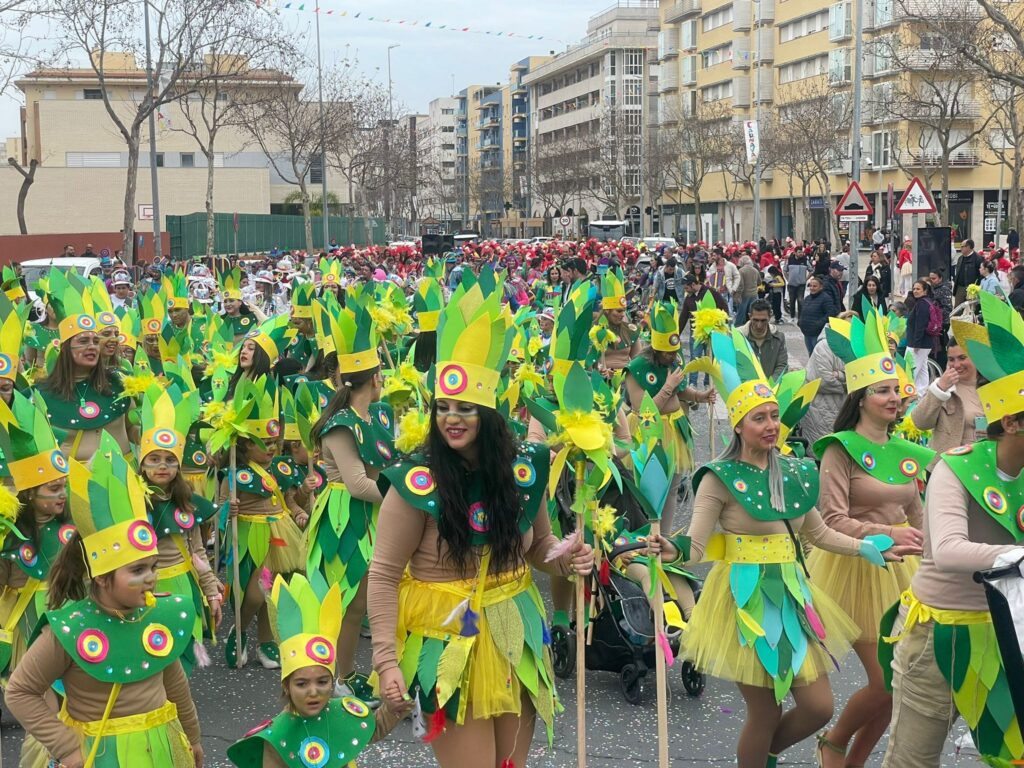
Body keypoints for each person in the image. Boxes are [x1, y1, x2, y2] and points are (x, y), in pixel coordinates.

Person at [368, 267, 593, 768]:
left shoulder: (523, 469)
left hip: (514, 630)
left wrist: (568, 557)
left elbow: (538, 547)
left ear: (488, 413)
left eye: (465, 408)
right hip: (448, 642)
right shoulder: (414, 485)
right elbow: (382, 576)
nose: (451, 417)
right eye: (443, 407)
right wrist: (386, 663)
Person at [649, 328, 904, 768]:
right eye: (759, 418)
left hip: (792, 597)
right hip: (742, 601)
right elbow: (693, 544)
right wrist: (664, 549)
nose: (770, 426)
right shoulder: (719, 477)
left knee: (819, 706)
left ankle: (764, 757)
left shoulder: (797, 472)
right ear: (740, 423)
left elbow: (819, 535)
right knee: (765, 711)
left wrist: (866, 546)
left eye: (773, 416)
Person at [882, 291, 1024, 767]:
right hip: (938, 633)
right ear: (1013, 420)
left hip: (1007, 631)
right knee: (913, 760)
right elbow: (946, 549)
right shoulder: (955, 469)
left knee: (1011, 758)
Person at [6, 432, 203, 768]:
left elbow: (175, 684)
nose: (151, 577)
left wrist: (193, 738)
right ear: (101, 576)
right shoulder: (69, 629)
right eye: (138, 570)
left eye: (153, 566)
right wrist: (65, 747)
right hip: (97, 756)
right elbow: (20, 692)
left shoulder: (159, 615)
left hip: (159, 750)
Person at [807, 306, 931, 768]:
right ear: (860, 398)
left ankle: (853, 760)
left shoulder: (906, 452)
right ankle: (834, 741)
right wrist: (889, 532)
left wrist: (933, 545)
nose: (895, 398)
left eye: (897, 390)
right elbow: (831, 520)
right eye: (883, 391)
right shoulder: (840, 451)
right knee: (885, 681)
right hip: (855, 569)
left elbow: (916, 514)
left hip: (907, 574)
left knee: (900, 684)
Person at [306, 289, 393, 703]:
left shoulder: (375, 415)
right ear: (375, 378)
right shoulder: (341, 423)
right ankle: (332, 678)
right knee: (343, 602)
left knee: (360, 603)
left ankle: (346, 672)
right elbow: (358, 483)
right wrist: (404, 496)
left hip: (371, 513)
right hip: (344, 516)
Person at [227, 573, 400, 767]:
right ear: (287, 686)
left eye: (322, 681)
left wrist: (393, 708)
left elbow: (370, 731)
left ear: (332, 681)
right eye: (301, 684)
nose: (313, 692)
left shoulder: (342, 713)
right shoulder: (278, 737)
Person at [221, 376, 306, 670]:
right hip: (253, 534)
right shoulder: (237, 474)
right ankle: (241, 629)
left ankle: (267, 641)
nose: (271, 448)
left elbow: (289, 499)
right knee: (257, 588)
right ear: (244, 447)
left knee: (276, 589)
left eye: (273, 442)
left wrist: (298, 512)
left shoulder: (281, 469)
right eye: (263, 444)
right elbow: (219, 507)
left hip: (281, 533)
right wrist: (226, 510)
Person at [137, 383, 222, 675]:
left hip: (184, 585)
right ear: (142, 464)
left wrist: (211, 591)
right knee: (151, 657)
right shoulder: (135, 501)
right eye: (154, 459)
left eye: (170, 460)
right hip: (149, 588)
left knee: (180, 663)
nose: (163, 466)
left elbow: (197, 550)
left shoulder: (186, 502)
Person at [626, 301, 716, 530]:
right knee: (651, 488)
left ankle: (663, 537)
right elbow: (643, 411)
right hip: (651, 431)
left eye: (675, 352)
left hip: (675, 429)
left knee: (673, 487)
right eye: (668, 353)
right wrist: (667, 387)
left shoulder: (674, 359)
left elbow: (681, 389)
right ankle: (647, 536)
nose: (673, 357)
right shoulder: (636, 368)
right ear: (656, 348)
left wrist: (699, 396)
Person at [0, 391, 70, 679]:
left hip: (61, 613)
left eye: (64, 486)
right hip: (21, 616)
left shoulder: (71, 529)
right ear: (29, 492)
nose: (62, 495)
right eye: (53, 489)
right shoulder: (10, 531)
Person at [34, 270, 131, 462]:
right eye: (84, 340)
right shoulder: (42, 394)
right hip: (73, 484)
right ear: (66, 348)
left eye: (95, 341)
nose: (92, 347)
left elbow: (135, 429)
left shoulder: (121, 381)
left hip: (122, 482)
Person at [910, 336, 984, 467]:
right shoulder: (944, 386)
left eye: (962, 358)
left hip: (982, 465)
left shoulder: (992, 385)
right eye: (951, 359)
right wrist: (939, 389)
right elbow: (920, 422)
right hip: (946, 467)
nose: (956, 365)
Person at [596, 267, 641, 372]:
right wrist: (601, 370)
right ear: (607, 311)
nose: (622, 315)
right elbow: (589, 362)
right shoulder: (595, 331)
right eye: (619, 311)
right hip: (602, 380)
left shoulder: (630, 330)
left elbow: (638, 361)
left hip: (626, 379)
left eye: (624, 311)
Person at [738, 299, 788, 380]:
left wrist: (769, 386)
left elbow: (782, 365)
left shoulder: (778, 338)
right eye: (755, 320)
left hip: (771, 389)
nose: (759, 325)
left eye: (763, 320)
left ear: (770, 317)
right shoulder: (738, 337)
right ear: (750, 316)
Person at [905, 280, 937, 393]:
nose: (915, 291)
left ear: (925, 290)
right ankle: (921, 394)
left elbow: (920, 325)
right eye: (914, 289)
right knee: (922, 370)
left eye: (918, 289)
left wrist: (916, 344)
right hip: (925, 344)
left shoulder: (922, 304)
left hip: (918, 344)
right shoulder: (926, 302)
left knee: (909, 370)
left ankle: (908, 395)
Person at [798, 276, 838, 356]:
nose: (812, 288)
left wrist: (818, 324)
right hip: (807, 332)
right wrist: (800, 322)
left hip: (817, 333)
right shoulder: (807, 298)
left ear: (821, 287)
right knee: (811, 354)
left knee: (818, 356)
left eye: (815, 286)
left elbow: (831, 313)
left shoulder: (826, 299)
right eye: (811, 286)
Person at [952, 239, 982, 305]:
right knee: (957, 310)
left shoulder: (978, 259)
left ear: (968, 247)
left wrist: (976, 288)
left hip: (972, 290)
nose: (960, 248)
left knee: (971, 309)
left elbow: (981, 276)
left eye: (962, 246)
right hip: (960, 288)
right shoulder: (960, 258)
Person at [784, 247, 810, 320]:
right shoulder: (789, 260)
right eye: (799, 252)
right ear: (795, 252)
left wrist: (806, 279)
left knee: (800, 300)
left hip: (801, 284)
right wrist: (788, 279)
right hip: (791, 284)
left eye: (801, 252)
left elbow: (811, 270)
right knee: (792, 301)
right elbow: (785, 270)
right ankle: (792, 316)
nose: (801, 253)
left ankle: (800, 317)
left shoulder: (805, 260)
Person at [735, 255, 761, 325]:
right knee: (753, 312)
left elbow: (740, 285)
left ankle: (738, 326)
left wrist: (738, 295)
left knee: (741, 312)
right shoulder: (755, 270)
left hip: (744, 294)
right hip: (754, 294)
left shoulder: (741, 271)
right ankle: (753, 325)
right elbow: (759, 282)